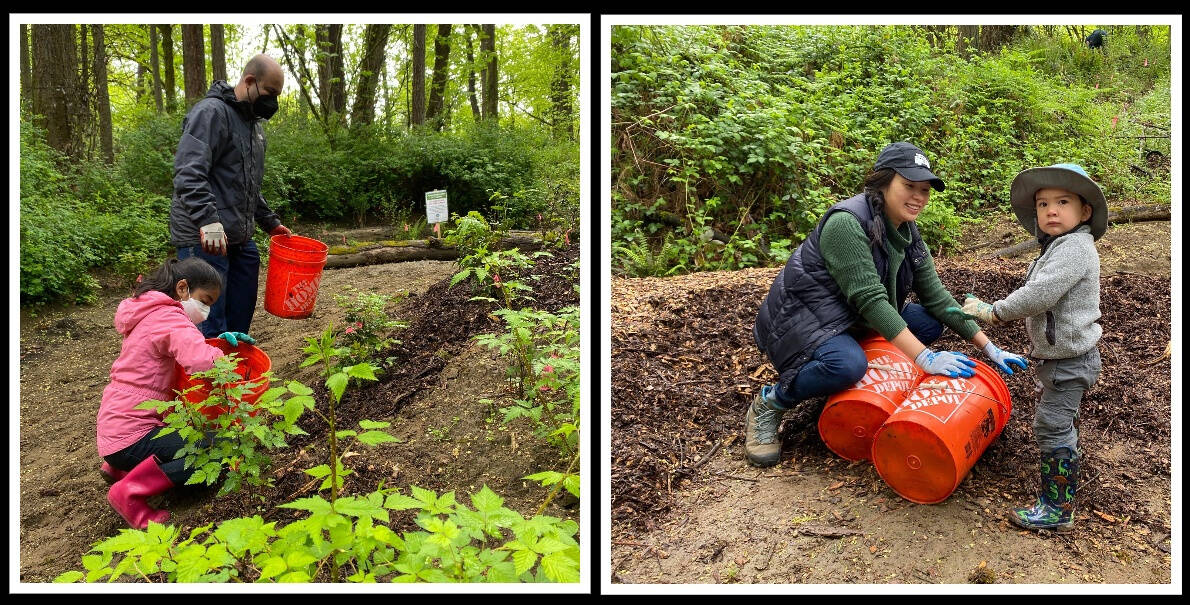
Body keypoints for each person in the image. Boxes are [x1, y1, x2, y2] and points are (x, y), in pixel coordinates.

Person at [748, 141, 1028, 467]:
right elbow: (870, 299)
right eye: (909, 185)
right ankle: (773, 402)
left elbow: (936, 297)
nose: (919, 197)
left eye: (924, 190)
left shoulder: (907, 229)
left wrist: (989, 347)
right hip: (803, 322)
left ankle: (860, 371)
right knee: (846, 365)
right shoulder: (847, 223)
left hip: (850, 318)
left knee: (927, 322)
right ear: (883, 182)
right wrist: (924, 358)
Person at [955, 164, 1105, 531]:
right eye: (1042, 204)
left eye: (1063, 202)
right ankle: (1067, 469)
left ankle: (1058, 508)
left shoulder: (1073, 249)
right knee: (1062, 422)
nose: (1051, 210)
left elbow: (1040, 295)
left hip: (1070, 361)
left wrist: (994, 312)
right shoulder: (1060, 246)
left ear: (1084, 211)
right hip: (1063, 358)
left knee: (1050, 427)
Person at [97, 257, 257, 529]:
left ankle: (120, 468)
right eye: (204, 301)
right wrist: (224, 356)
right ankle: (130, 492)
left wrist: (217, 339)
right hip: (131, 436)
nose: (206, 311)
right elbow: (200, 361)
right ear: (182, 288)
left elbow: (181, 346)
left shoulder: (150, 313)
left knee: (189, 435)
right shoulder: (170, 316)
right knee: (214, 449)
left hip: (115, 427)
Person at [170, 54, 291, 339]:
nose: (272, 102)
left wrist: (269, 221)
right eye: (269, 93)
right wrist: (208, 221)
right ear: (249, 81)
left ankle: (234, 377)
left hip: (237, 237)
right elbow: (188, 173)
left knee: (238, 323)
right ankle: (206, 379)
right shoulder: (211, 113)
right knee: (207, 324)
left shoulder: (253, 128)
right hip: (202, 237)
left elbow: (247, 186)